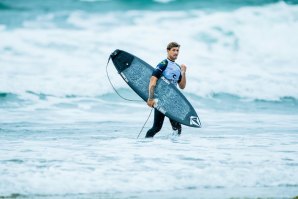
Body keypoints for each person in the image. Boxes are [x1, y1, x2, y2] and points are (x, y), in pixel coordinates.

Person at [145, 42, 187, 138]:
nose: (176, 52)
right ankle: (145, 144)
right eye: (173, 50)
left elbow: (182, 86)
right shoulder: (163, 64)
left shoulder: (177, 67)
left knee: (177, 128)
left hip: (172, 101)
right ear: (168, 51)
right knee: (157, 127)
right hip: (162, 100)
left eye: (177, 50)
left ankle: (173, 148)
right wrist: (151, 98)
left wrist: (183, 72)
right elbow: (153, 80)